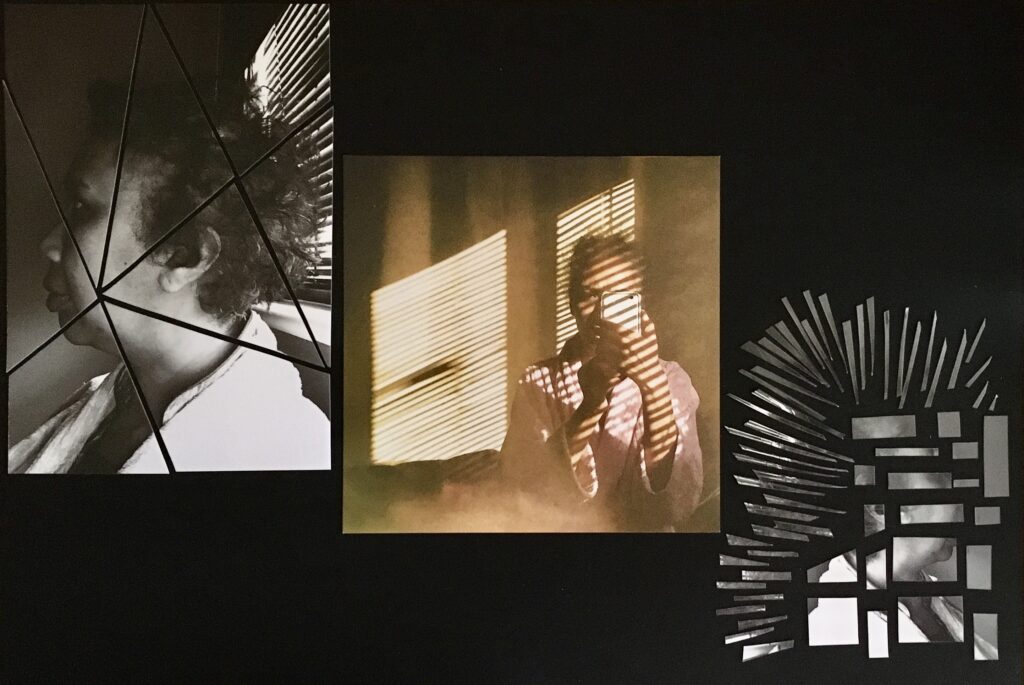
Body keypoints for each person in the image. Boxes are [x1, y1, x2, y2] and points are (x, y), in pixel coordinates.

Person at [8, 78, 329, 473]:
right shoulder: (105, 404)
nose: (49, 245)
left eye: (81, 207)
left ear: (186, 256)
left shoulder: (294, 457)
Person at [499, 233, 703, 531]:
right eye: (589, 294)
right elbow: (524, 490)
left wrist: (651, 383)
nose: (600, 314)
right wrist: (590, 405)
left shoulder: (672, 379)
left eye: (618, 297)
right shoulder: (537, 380)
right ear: (570, 301)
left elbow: (676, 501)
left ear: (639, 304)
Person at [807, 479, 997, 657]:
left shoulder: (934, 600)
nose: (962, 500)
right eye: (940, 479)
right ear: (881, 508)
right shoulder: (828, 640)